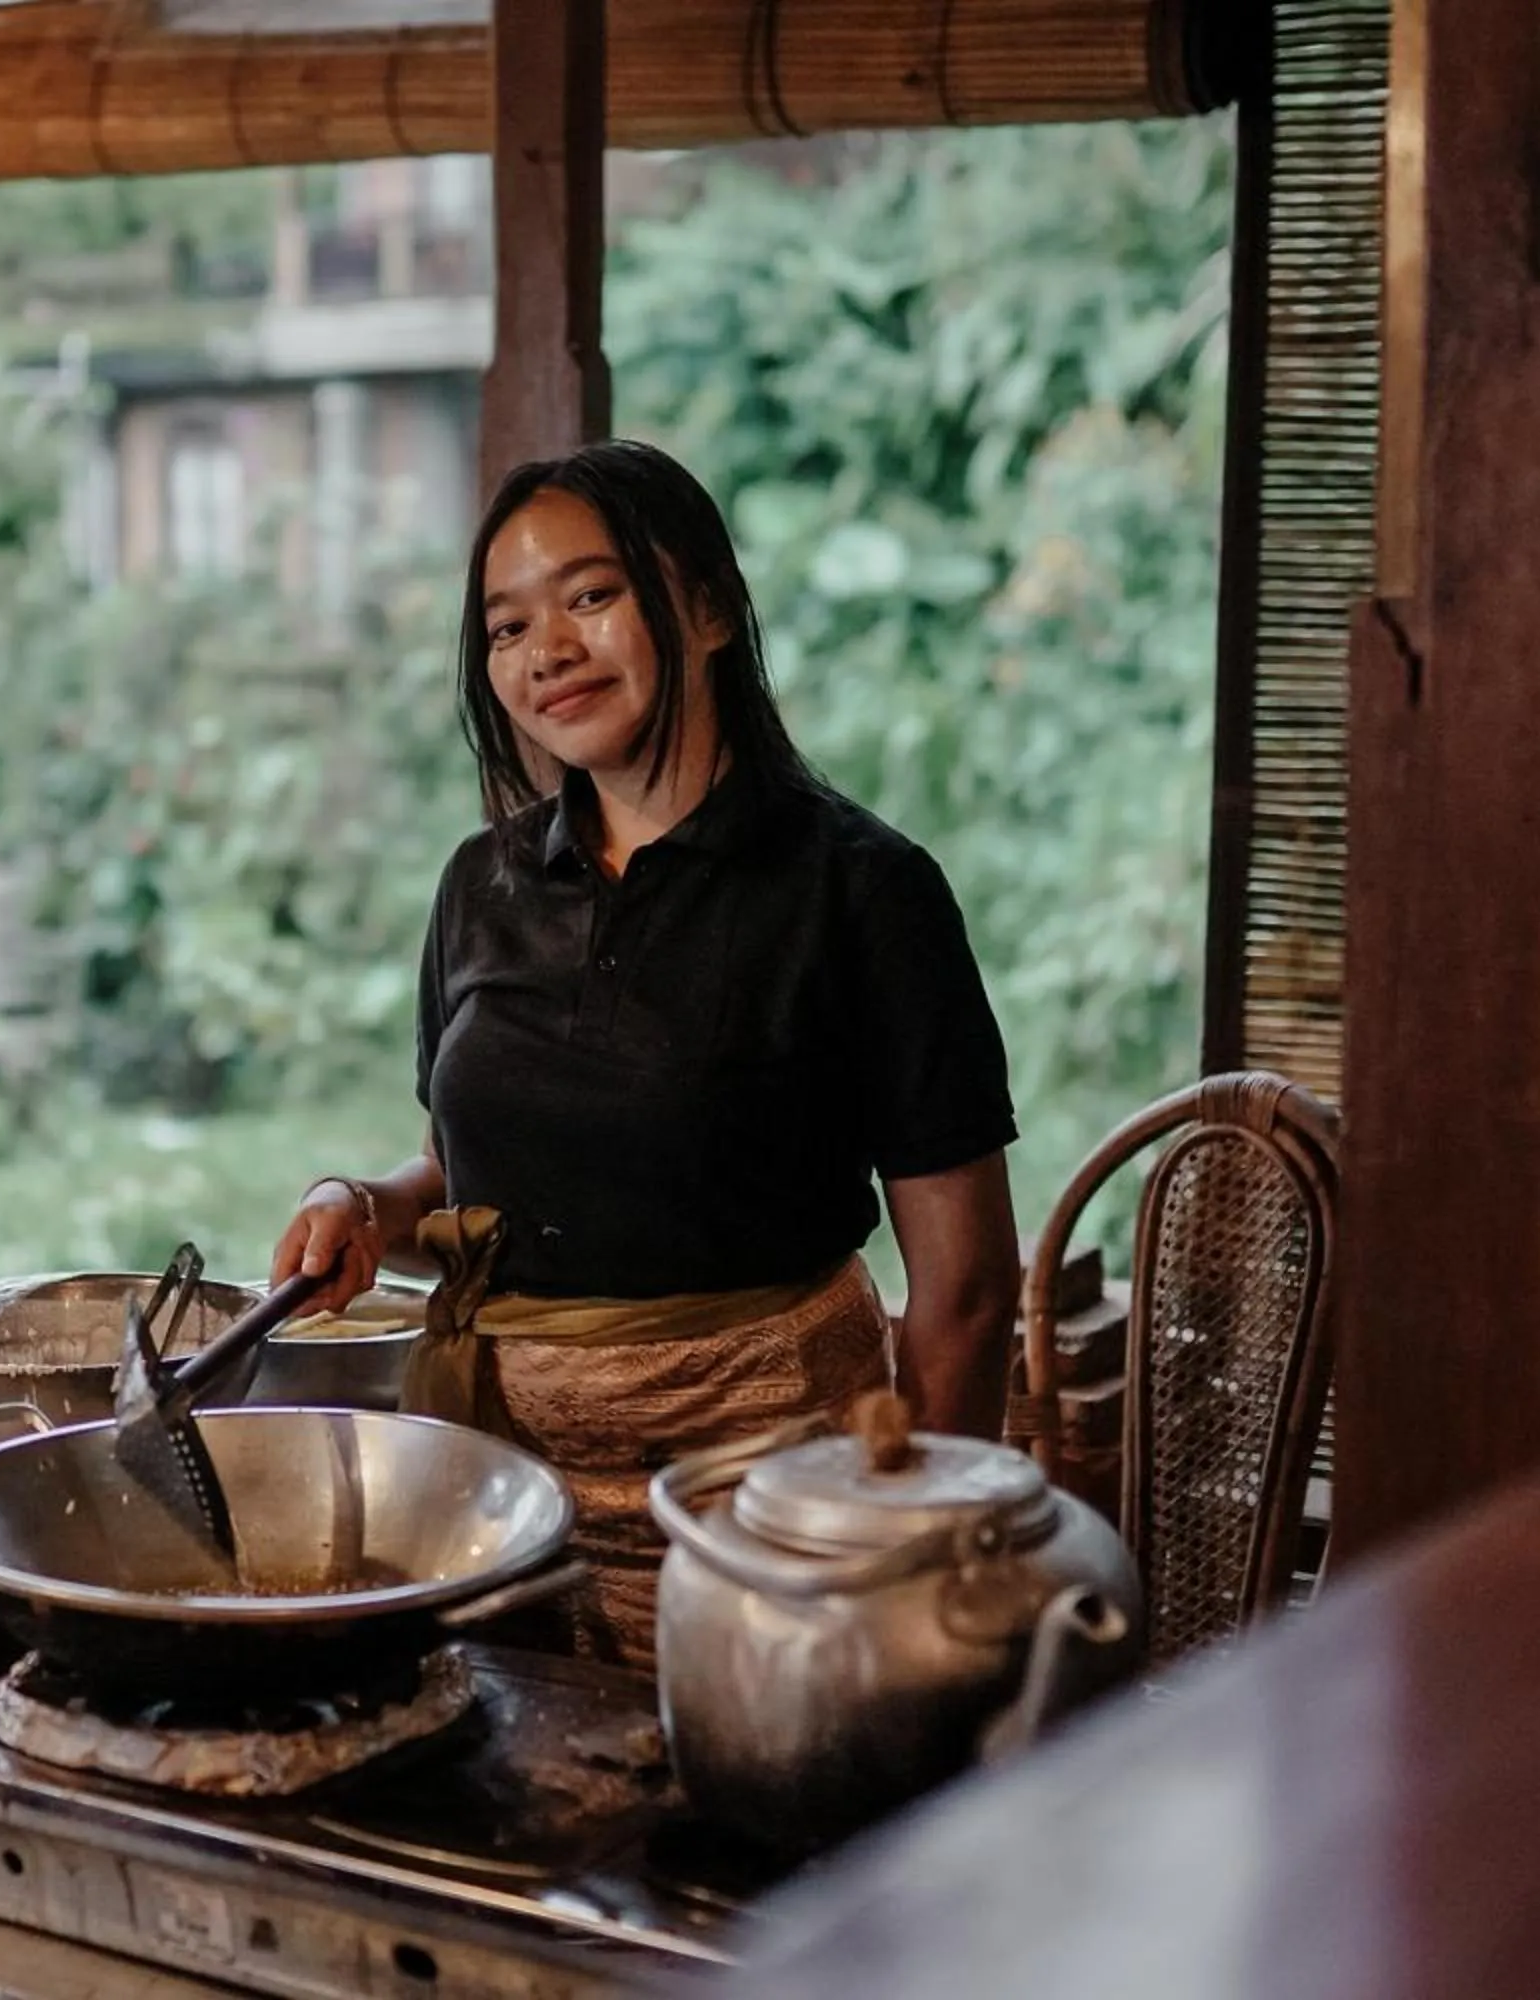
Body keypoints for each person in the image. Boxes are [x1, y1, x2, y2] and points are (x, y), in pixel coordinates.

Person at [270, 438, 1022, 1667]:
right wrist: (357, 1202)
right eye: (506, 627)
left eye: (592, 595)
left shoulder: (862, 891)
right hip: (507, 1517)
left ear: (709, 608)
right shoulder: (484, 883)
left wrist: (907, 1553)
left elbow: (969, 1288)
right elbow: (468, 1182)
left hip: (770, 1524)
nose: (545, 651)